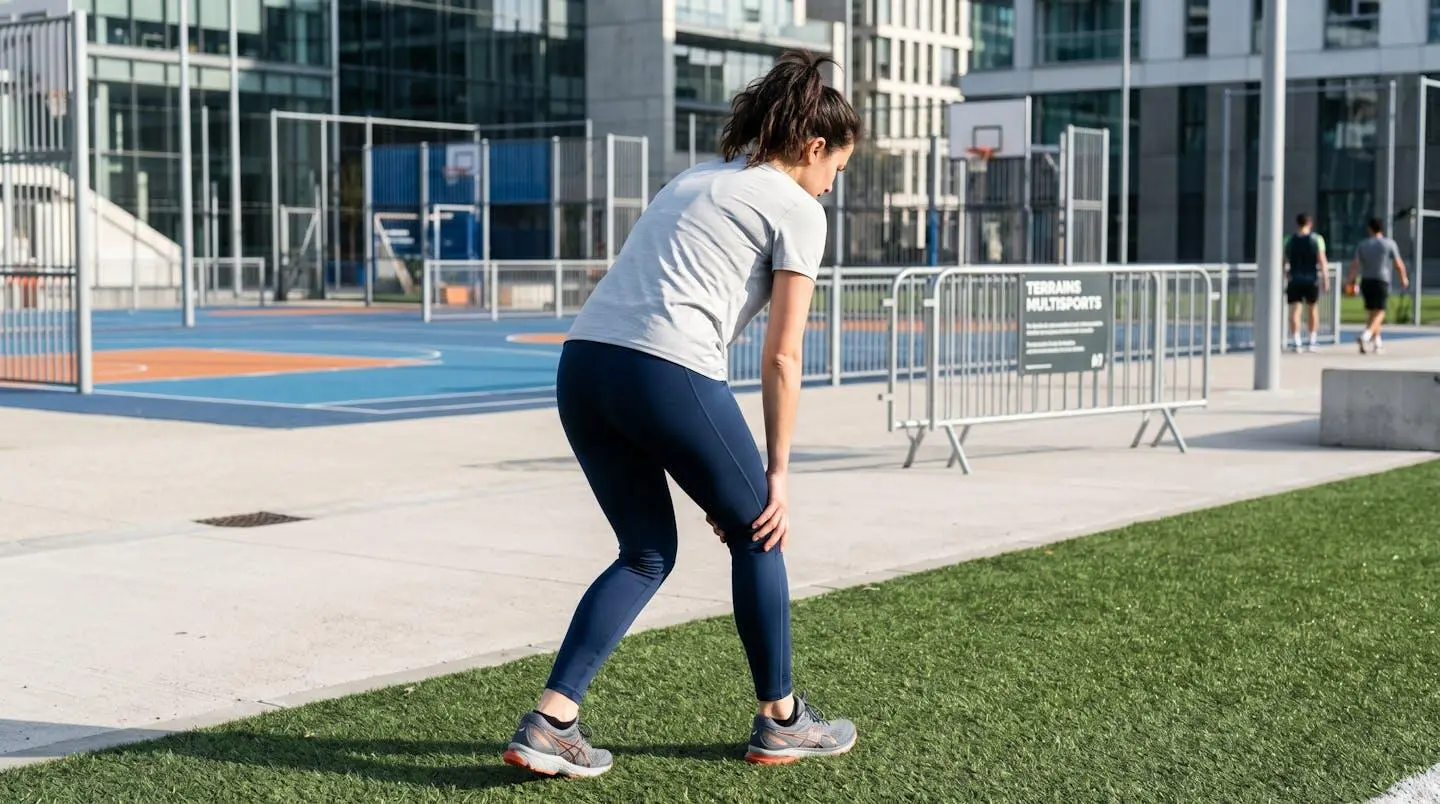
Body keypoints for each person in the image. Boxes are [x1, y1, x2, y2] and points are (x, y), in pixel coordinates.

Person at [501, 51, 861, 779]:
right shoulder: (798, 208)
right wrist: (776, 474)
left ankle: (552, 722)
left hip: (584, 367)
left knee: (645, 552)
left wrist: (705, 457)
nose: (834, 183)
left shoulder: (696, 178)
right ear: (815, 149)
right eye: (838, 168)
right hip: (665, 371)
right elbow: (783, 358)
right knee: (760, 530)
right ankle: (782, 720)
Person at [1347, 216, 1410, 354]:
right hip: (1382, 280)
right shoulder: (1389, 244)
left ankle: (1377, 343)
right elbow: (1398, 264)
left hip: (1366, 280)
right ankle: (1366, 335)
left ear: (1369, 228)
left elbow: (1355, 264)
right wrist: (1403, 278)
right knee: (1380, 312)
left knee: (1371, 312)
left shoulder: (1363, 244)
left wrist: (1350, 280)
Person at [1282, 213, 1329, 353]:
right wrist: (1325, 278)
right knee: (1312, 309)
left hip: (1295, 278)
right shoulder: (1316, 239)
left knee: (1295, 310)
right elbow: (1322, 260)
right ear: (1310, 223)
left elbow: (1283, 261)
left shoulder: (1289, 240)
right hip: (1311, 278)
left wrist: (1285, 274)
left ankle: (1297, 341)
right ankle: (1312, 340)